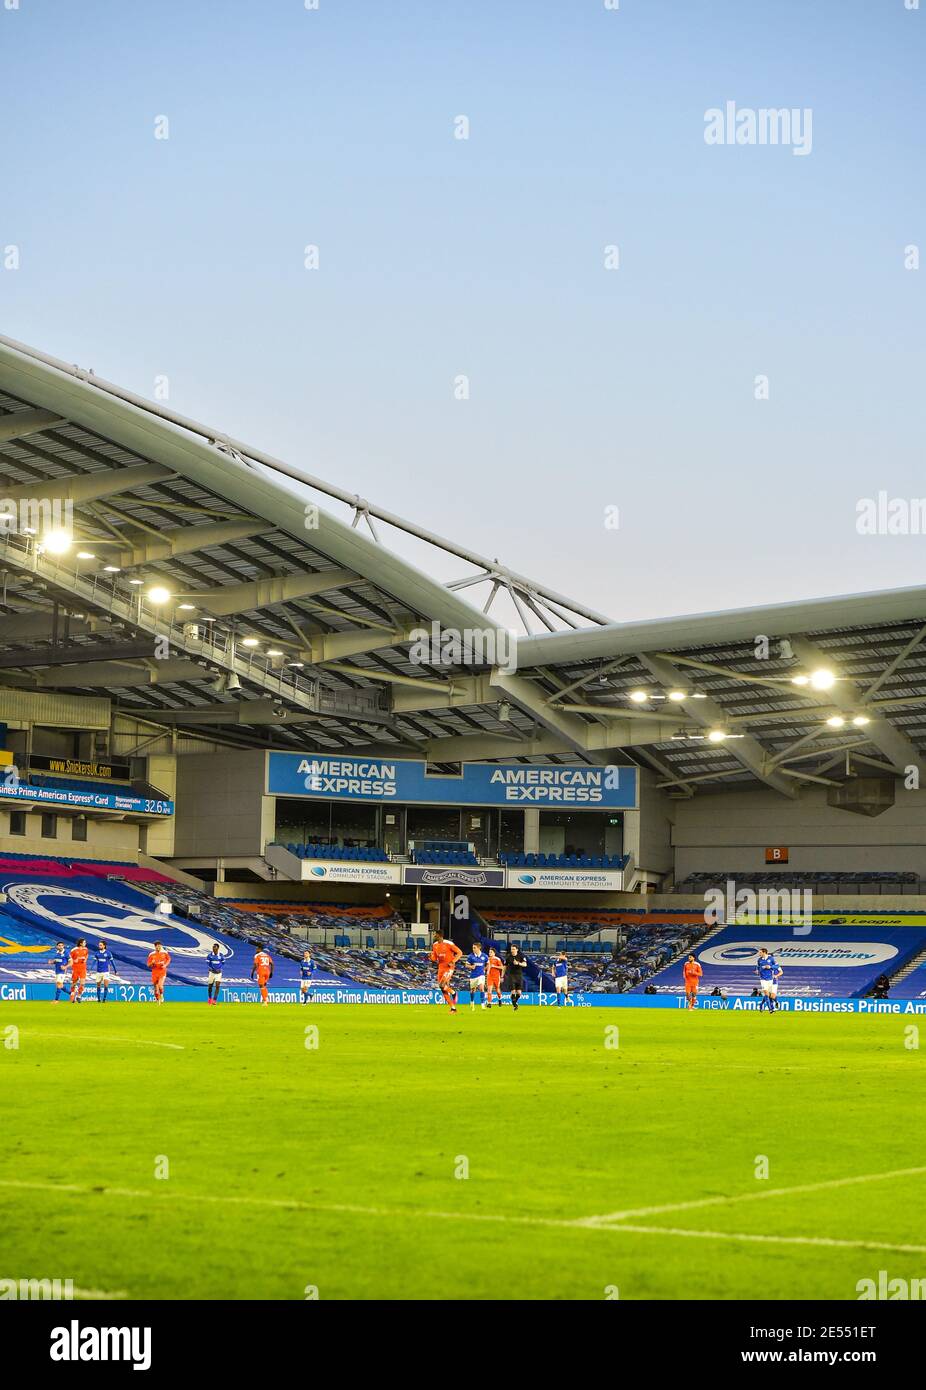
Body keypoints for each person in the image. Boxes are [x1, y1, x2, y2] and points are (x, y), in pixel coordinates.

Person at [429, 930, 462, 1012]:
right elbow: (435, 958)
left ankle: (453, 992)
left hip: (449, 967)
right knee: (442, 988)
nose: (433, 936)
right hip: (441, 967)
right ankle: (453, 1008)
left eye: (435, 934)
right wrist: (431, 957)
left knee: (442, 984)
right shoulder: (435, 945)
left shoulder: (448, 943)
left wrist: (453, 961)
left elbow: (460, 953)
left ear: (439, 935)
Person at [755, 946, 782, 1013]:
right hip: (763, 979)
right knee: (766, 993)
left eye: (760, 952)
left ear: (764, 952)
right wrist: (757, 971)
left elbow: (777, 966)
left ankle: (762, 1004)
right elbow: (758, 967)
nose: (759, 954)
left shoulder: (771, 959)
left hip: (770, 979)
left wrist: (770, 967)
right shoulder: (759, 960)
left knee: (771, 996)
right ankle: (770, 1009)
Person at [92, 940, 118, 1004]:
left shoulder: (108, 953)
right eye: (99, 945)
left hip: (106, 972)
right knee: (98, 986)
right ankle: (98, 999)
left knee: (106, 986)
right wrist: (90, 969)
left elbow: (112, 962)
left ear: (104, 946)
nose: (99, 946)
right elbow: (94, 962)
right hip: (98, 972)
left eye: (101, 945)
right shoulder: (97, 953)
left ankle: (104, 999)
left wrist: (115, 970)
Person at [505, 943, 528, 1011]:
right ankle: (515, 1005)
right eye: (511, 949)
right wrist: (502, 976)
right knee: (513, 991)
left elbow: (525, 964)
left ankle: (514, 1002)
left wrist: (518, 963)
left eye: (513, 949)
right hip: (511, 975)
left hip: (519, 975)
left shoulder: (521, 956)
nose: (512, 950)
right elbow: (504, 966)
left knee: (519, 993)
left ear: (517, 950)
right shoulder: (508, 957)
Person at [147, 940, 171, 1004]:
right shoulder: (151, 954)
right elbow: (148, 965)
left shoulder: (164, 953)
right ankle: (158, 1001)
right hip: (154, 973)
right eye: (157, 946)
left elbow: (169, 959)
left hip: (162, 972)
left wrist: (165, 965)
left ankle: (162, 996)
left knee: (160, 986)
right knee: (155, 989)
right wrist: (152, 963)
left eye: (159, 946)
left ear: (161, 946)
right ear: (155, 947)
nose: (158, 947)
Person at [465, 942, 488, 1010]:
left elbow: (488, 964)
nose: (473, 949)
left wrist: (485, 969)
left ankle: (482, 1004)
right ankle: (472, 1002)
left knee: (481, 988)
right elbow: (466, 965)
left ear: (479, 948)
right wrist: (471, 966)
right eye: (473, 948)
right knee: (473, 990)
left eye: (474, 948)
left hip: (481, 975)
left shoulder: (484, 956)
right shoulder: (470, 956)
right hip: (473, 975)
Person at [68, 938, 89, 1003]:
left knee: (82, 984)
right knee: (74, 983)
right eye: (84, 942)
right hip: (75, 969)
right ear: (80, 943)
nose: (85, 943)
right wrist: (74, 960)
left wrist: (85, 960)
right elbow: (69, 958)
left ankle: (79, 996)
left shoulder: (86, 949)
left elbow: (86, 955)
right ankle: (72, 996)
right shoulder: (74, 950)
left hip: (83, 969)